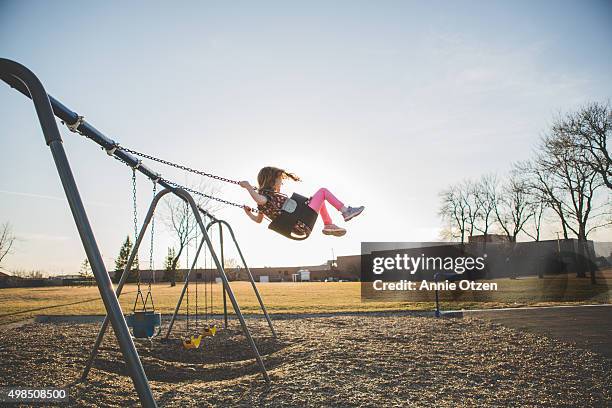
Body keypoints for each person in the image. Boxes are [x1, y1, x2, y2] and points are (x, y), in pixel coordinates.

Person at [240, 166, 364, 237]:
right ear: (271, 180)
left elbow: (258, 220)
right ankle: (346, 212)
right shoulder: (265, 197)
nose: (281, 182)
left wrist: (248, 213)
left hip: (299, 224)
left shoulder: (268, 200)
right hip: (300, 222)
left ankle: (328, 224)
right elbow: (260, 200)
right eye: (279, 179)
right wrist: (248, 187)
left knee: (319, 200)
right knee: (323, 191)